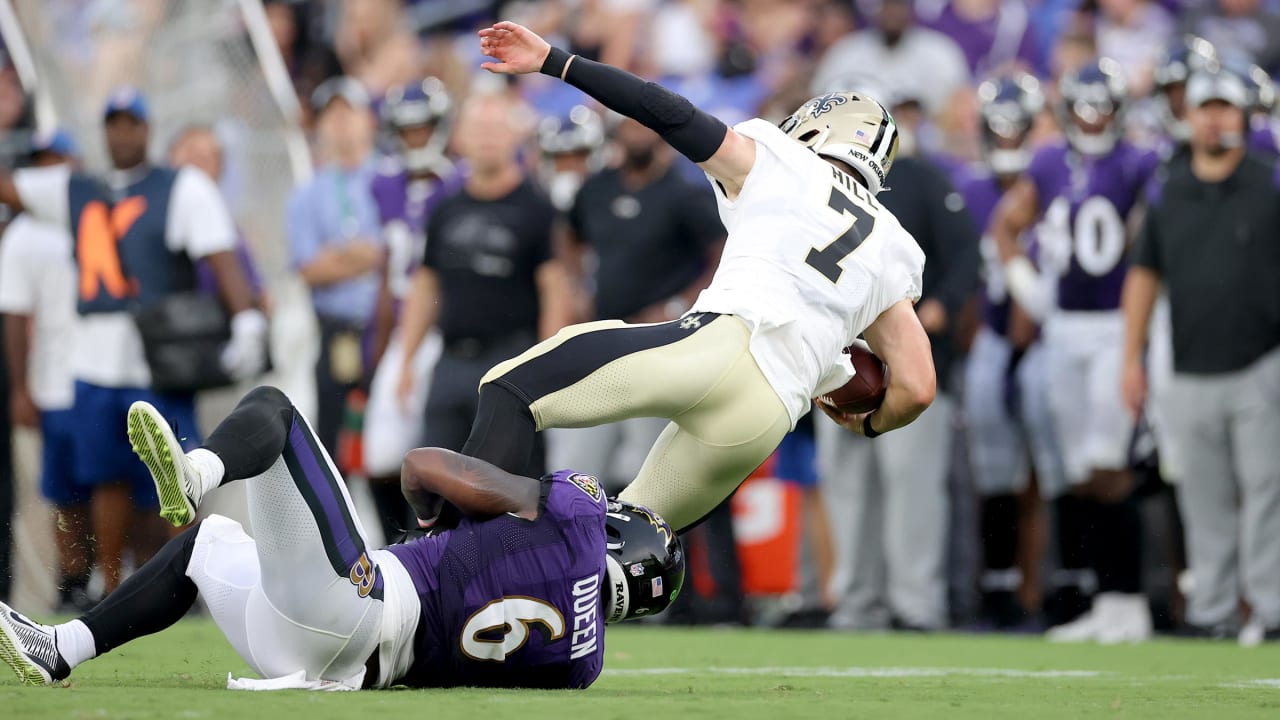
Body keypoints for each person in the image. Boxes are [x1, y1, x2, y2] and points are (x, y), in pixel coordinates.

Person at [466, 21, 936, 533]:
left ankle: (452, 566)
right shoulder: (893, 243)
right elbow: (915, 387)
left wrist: (558, 62)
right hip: (768, 416)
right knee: (623, 548)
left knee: (509, 388)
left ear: (816, 130)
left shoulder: (783, 160)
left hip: (720, 345)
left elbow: (668, 112)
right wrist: (867, 423)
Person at [0, 386, 683, 688]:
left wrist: (432, 514)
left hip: (358, 607)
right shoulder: (581, 669)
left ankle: (198, 468)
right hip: (338, 664)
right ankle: (61, 647)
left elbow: (424, 468)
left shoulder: (582, 515)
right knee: (207, 547)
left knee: (274, 410)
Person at [0, 87, 265, 593]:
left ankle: (192, 585)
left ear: (147, 129)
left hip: (157, 358)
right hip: (94, 358)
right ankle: (116, 586)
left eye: (131, 123)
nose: (122, 133)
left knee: (178, 477)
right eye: (113, 124)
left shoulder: (179, 187)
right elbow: (12, 189)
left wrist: (246, 317)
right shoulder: (78, 188)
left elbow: (220, 256)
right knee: (105, 478)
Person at [990, 59, 1160, 642]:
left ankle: (1128, 599)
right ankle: (1105, 600)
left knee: (1108, 466)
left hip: (1114, 324)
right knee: (1078, 472)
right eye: (1084, 108)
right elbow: (1004, 227)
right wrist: (1029, 292)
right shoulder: (1045, 162)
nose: (1093, 119)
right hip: (1063, 327)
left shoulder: (1138, 163)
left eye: (1103, 108)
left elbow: (1155, 236)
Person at [1121, 68, 1280, 645]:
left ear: (1245, 117)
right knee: (1203, 497)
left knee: (1267, 491)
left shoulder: (1270, 181)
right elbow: (1143, 275)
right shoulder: (1168, 188)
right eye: (1206, 108)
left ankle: (1270, 608)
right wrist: (1130, 358)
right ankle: (1212, 609)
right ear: (1189, 117)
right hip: (1189, 364)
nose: (1215, 119)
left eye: (1226, 109)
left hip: (1262, 360)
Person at [394, 90, 573, 479]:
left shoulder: (537, 209)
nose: (488, 137)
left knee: (513, 484)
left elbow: (553, 290)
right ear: (459, 138)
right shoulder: (447, 209)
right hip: (451, 361)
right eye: (478, 128)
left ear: (515, 136)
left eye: (497, 127)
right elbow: (425, 286)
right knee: (437, 481)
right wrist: (407, 360)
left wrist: (548, 365)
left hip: (511, 359)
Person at [554, 117, 725, 493]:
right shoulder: (597, 188)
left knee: (645, 470)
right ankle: (582, 548)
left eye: (643, 127)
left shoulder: (684, 192)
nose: (636, 135)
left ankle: (647, 549)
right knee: (579, 467)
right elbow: (567, 233)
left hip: (656, 344)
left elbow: (724, 254)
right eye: (628, 128)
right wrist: (576, 285)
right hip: (600, 340)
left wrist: (679, 304)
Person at [960, 73, 1067, 628]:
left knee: (1051, 473)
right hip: (993, 341)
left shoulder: (1051, 179)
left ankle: (1047, 588)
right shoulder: (973, 190)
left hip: (1052, 340)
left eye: (1015, 128)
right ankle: (1000, 587)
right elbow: (964, 280)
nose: (1006, 138)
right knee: (996, 473)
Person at [362, 77, 462, 539]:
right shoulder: (384, 185)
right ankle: (395, 546)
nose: (417, 138)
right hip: (405, 330)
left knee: (433, 449)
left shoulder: (458, 182)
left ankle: (423, 547)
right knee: (381, 453)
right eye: (409, 129)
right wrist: (377, 348)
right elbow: (387, 271)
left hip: (449, 329)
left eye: (424, 127)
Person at [0, 130, 95, 611]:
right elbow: (14, 317)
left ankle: (112, 579)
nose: (50, 171)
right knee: (62, 496)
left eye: (58, 159)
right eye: (41, 162)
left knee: (111, 484)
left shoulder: (98, 215)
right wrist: (21, 388)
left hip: (105, 373)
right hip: (53, 382)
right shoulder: (23, 235)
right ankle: (72, 582)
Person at [288, 76, 384, 456]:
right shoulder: (307, 193)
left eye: (350, 111)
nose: (341, 121)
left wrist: (341, 254)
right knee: (332, 451)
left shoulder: (391, 177)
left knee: (392, 455)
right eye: (331, 114)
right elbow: (310, 268)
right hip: (337, 335)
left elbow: (396, 253)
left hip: (385, 330)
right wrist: (367, 255)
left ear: (369, 120)